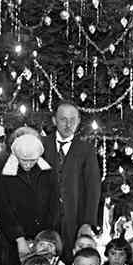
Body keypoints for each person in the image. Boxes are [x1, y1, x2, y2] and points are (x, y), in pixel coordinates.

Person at [0, 131, 58, 265]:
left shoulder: (47, 173)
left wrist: (45, 238)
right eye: (24, 160)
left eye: (32, 160)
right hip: (12, 242)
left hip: (41, 239)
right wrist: (19, 239)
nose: (28, 164)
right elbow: (3, 210)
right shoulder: (4, 175)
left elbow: (53, 206)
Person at [42, 103, 101, 252]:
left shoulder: (86, 149)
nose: (68, 125)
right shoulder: (42, 145)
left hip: (74, 218)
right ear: (54, 120)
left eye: (72, 120)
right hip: (46, 219)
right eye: (63, 119)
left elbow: (93, 187)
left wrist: (87, 222)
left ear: (79, 121)